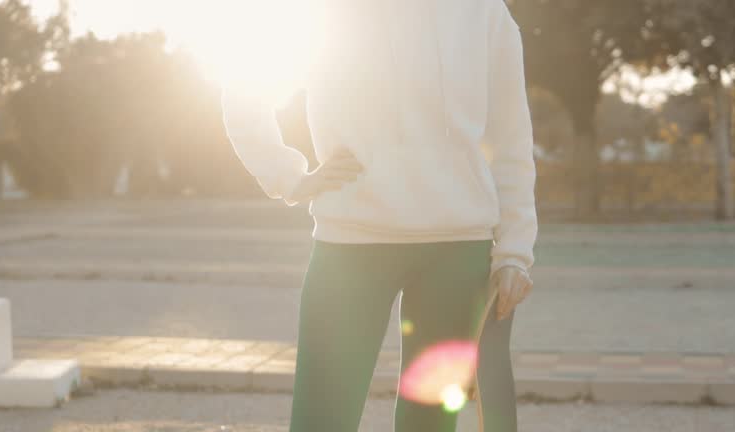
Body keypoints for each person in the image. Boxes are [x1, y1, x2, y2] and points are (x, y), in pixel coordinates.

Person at [221, 0, 537, 430]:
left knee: (429, 424)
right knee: (321, 419)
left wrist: (515, 251)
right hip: (350, 245)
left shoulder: (483, 11)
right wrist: (289, 177)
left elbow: (511, 134)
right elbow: (245, 89)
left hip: (459, 250)